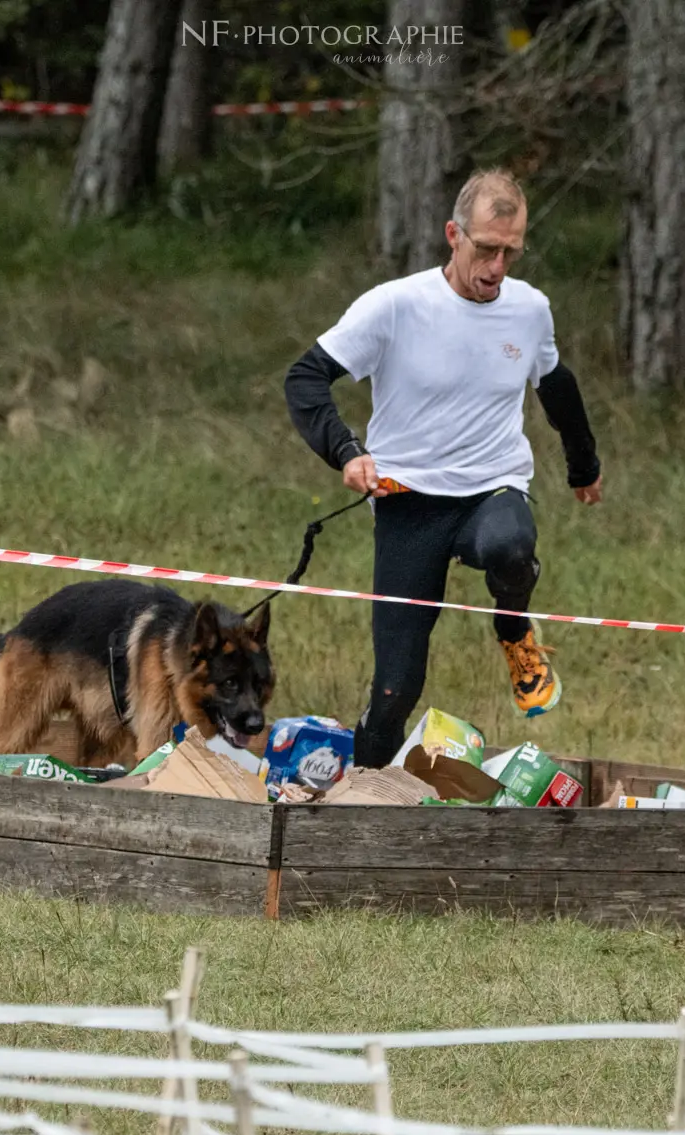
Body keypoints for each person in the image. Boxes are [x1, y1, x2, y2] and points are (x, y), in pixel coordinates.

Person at [283, 168, 602, 769]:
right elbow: (304, 378)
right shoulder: (396, 305)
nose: (496, 267)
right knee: (395, 688)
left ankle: (515, 636)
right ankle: (364, 792)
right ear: (454, 235)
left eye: (510, 252)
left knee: (512, 544)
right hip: (408, 503)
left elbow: (556, 383)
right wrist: (347, 453)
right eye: (486, 249)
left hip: (493, 488)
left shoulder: (530, 310)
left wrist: (583, 465)